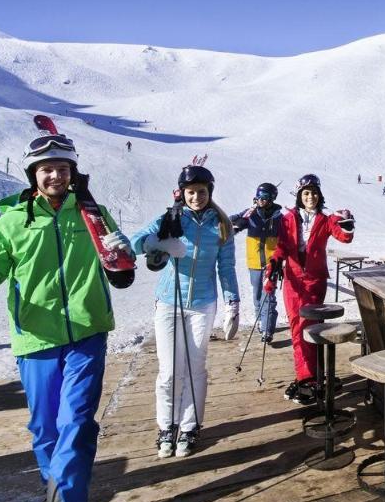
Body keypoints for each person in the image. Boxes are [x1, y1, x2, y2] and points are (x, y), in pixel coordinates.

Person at [0, 133, 135, 502]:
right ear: (33, 175)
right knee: (45, 430)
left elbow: (116, 263)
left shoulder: (92, 213)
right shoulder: (11, 223)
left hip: (87, 333)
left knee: (75, 423)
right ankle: (56, 489)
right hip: (35, 338)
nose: (55, 176)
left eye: (62, 168)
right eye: (47, 169)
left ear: (72, 172)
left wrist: (123, 255)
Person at [130, 165, 239, 458]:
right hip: (169, 302)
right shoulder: (172, 218)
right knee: (168, 371)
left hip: (203, 304)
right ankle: (167, 426)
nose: (196, 197)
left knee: (194, 368)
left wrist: (233, 303)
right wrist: (161, 242)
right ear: (183, 193)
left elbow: (226, 268)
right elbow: (135, 241)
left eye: (201, 192)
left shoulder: (222, 224)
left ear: (209, 192)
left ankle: (190, 426)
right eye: (191, 192)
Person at [264, 174, 354, 404]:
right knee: (296, 328)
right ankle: (306, 377)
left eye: (314, 193)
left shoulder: (325, 220)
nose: (310, 197)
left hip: (314, 281)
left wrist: (346, 223)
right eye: (306, 193)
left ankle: (313, 378)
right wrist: (273, 267)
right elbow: (281, 248)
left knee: (312, 328)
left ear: (319, 195)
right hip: (293, 282)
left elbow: (344, 238)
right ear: (299, 196)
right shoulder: (288, 219)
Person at [230, 182, 283, 342]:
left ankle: (267, 330)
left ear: (272, 198)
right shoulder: (251, 214)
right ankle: (262, 320)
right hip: (254, 263)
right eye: (258, 196)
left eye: (265, 197)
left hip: (271, 263)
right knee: (257, 296)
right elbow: (230, 224)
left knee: (268, 295)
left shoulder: (278, 217)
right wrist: (242, 218)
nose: (260, 200)